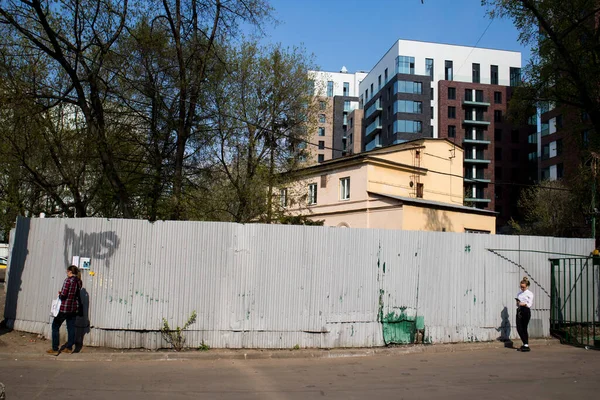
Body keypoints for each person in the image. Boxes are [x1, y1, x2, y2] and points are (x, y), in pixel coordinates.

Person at [46, 265, 82, 355]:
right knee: (71, 328)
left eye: (67, 271)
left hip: (65, 308)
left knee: (55, 326)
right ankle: (69, 348)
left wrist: (60, 293)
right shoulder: (79, 282)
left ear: (70, 271)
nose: (66, 272)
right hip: (74, 308)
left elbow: (64, 295)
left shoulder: (68, 281)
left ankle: (55, 349)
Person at [516, 276, 534, 352]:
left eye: (523, 287)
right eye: (521, 287)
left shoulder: (530, 294)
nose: (522, 288)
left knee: (524, 327)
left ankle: (526, 344)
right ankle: (524, 343)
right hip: (519, 310)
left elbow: (530, 304)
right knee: (519, 327)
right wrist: (518, 303)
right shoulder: (519, 293)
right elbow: (518, 304)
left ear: (527, 286)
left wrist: (524, 304)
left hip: (525, 310)